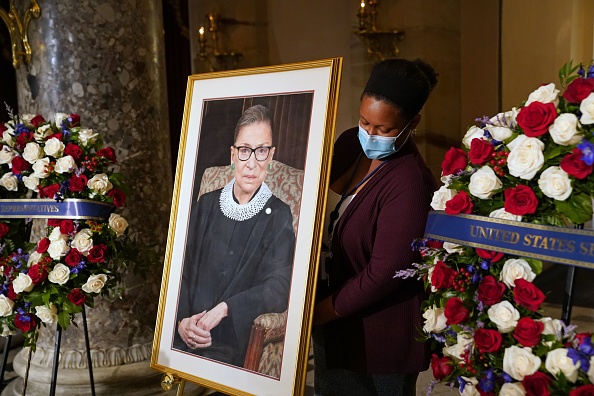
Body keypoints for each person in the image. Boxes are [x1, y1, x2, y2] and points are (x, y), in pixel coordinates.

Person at [313, 59, 439, 396]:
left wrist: (318, 314)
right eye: (364, 121)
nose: (370, 135)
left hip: (379, 338)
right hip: (335, 319)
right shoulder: (349, 146)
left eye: (384, 129)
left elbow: (384, 273)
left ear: (413, 123)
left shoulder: (410, 182)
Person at [174, 104, 295, 368]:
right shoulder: (205, 204)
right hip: (184, 336)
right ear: (233, 154)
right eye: (244, 151)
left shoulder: (279, 215)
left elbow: (278, 288)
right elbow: (180, 266)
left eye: (261, 151)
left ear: (271, 155)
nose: (252, 163)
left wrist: (225, 308)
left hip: (233, 344)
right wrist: (182, 321)